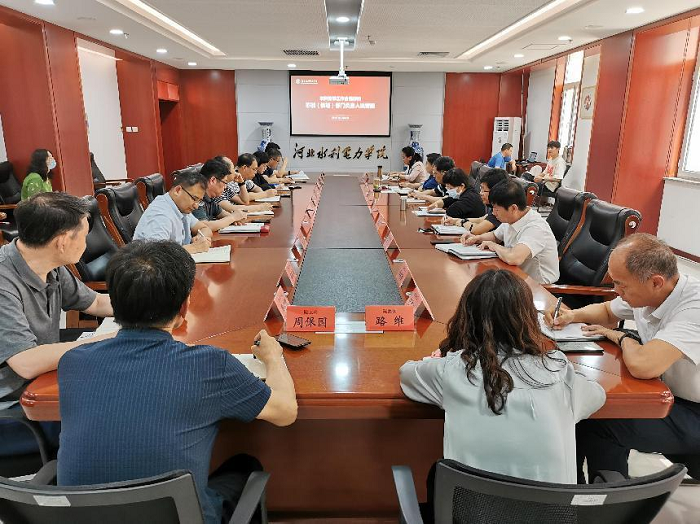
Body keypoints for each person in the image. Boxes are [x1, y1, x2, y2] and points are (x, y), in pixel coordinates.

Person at [57, 240, 298, 524]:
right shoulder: (208, 365)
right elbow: (285, 411)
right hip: (180, 516)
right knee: (245, 465)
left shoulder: (72, 363)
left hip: (84, 516)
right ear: (184, 307)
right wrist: (273, 357)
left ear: (115, 303)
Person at [400, 269, 605, 498]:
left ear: (466, 318)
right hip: (554, 513)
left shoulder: (454, 370)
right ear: (529, 319)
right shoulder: (557, 370)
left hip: (472, 512)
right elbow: (597, 395)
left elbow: (407, 374)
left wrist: (439, 359)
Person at [542, 234, 700, 483]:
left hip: (693, 412)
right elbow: (607, 311)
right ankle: (578, 487)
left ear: (656, 282)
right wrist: (571, 316)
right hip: (669, 393)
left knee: (600, 421)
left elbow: (643, 365)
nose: (616, 291)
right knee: (588, 409)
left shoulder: (693, 307)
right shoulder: (652, 292)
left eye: (621, 285)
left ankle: (607, 496)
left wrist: (622, 337)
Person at [0, 192, 114, 456]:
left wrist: (151, 307)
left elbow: (96, 302)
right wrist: (108, 340)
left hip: (41, 382)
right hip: (15, 408)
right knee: (111, 414)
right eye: (83, 235)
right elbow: (26, 362)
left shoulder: (47, 264)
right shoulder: (4, 284)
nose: (86, 242)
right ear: (62, 241)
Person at [461, 180, 559, 284]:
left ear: (513, 208)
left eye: (496, 209)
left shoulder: (536, 227)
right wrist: (477, 238)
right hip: (516, 276)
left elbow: (514, 258)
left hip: (539, 285)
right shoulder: (512, 218)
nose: (493, 213)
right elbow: (495, 236)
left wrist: (493, 245)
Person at [133, 169, 213, 254]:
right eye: (194, 199)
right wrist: (195, 248)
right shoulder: (160, 214)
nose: (196, 206)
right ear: (178, 190)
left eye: (199, 201)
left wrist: (200, 237)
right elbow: (155, 254)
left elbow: (205, 228)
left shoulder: (181, 207)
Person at [444, 168, 508, 234]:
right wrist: (456, 220)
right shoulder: (494, 207)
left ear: (495, 191)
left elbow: (476, 230)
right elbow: (481, 219)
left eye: (484, 190)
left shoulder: (502, 209)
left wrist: (462, 222)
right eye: (481, 189)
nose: (480, 193)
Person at [192, 159, 248, 232]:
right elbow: (204, 226)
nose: (225, 187)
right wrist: (233, 218)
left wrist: (236, 218)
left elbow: (222, 214)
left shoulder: (211, 198)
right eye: (225, 182)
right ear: (213, 180)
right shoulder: (196, 197)